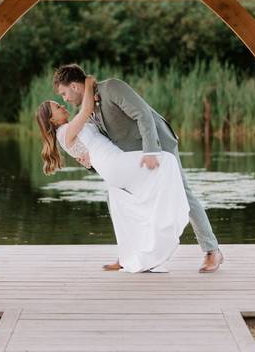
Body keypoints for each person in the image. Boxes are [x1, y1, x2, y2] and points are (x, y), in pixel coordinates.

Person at [52, 63, 224, 273]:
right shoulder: (88, 109)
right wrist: (89, 163)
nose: (65, 99)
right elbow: (102, 145)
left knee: (184, 194)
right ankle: (129, 255)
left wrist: (151, 151)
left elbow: (143, 114)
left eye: (64, 93)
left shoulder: (111, 87)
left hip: (158, 146)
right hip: (132, 160)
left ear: (74, 86)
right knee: (116, 197)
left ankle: (212, 250)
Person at [36, 75, 189, 273]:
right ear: (51, 119)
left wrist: (87, 159)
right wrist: (89, 84)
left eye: (62, 99)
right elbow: (87, 109)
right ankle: (168, 221)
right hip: (114, 163)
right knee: (167, 160)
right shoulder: (64, 131)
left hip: (110, 168)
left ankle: (132, 256)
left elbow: (88, 143)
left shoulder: (68, 129)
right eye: (57, 106)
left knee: (126, 211)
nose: (63, 105)